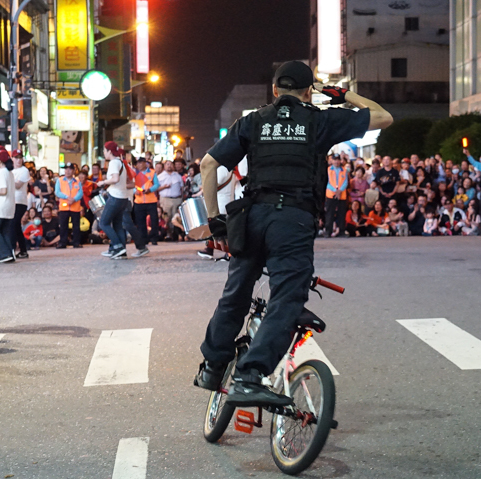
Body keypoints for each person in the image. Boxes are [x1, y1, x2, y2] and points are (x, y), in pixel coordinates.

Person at [194, 60, 392, 407]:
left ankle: (212, 366)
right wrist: (344, 94)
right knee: (287, 297)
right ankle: (249, 376)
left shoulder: (252, 122)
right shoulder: (320, 120)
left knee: (236, 293)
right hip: (293, 221)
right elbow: (382, 117)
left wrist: (214, 220)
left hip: (251, 217)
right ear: (308, 92)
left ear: (274, 90)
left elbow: (208, 164)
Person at [97, 142, 148, 259]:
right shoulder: (121, 163)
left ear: (110, 151)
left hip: (115, 197)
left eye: (105, 151)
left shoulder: (114, 162)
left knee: (103, 223)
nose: (104, 153)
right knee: (118, 225)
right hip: (123, 198)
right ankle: (122, 252)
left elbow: (115, 179)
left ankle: (118, 246)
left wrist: (103, 182)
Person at [133, 157, 160, 247]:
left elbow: (157, 184)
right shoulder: (134, 173)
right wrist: (134, 191)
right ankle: (143, 238)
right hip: (139, 200)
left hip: (151, 200)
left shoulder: (152, 172)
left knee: (154, 220)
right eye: (138, 163)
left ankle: (154, 238)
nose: (140, 165)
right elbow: (130, 185)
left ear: (145, 163)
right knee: (140, 221)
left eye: (141, 163)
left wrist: (150, 190)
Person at [55, 163, 83, 249]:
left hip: (75, 207)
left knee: (76, 226)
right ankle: (62, 242)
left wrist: (74, 199)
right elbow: (57, 192)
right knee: (63, 225)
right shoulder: (59, 180)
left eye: (70, 169)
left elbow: (80, 193)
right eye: (66, 169)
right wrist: (67, 197)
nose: (67, 171)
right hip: (64, 207)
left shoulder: (77, 181)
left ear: (73, 171)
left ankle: (76, 242)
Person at [10, 150, 30, 258]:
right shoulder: (10, 171)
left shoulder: (24, 170)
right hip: (11, 201)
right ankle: (23, 250)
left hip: (20, 201)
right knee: (16, 226)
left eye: (20, 157)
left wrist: (7, 179)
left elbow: (18, 185)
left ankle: (12, 249)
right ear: (12, 159)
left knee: (13, 224)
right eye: (16, 158)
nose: (18, 160)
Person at [157, 160, 183, 240]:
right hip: (166, 199)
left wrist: (181, 197)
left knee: (176, 217)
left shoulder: (177, 175)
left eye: (171, 164)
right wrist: (164, 187)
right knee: (166, 217)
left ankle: (175, 234)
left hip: (177, 199)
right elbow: (156, 188)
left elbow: (182, 187)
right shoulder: (160, 176)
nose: (169, 166)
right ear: (164, 166)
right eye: (167, 164)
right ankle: (168, 234)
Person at [324, 153, 348, 237]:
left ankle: (341, 231)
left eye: (338, 160)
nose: (336, 162)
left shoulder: (344, 170)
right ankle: (328, 231)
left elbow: (345, 182)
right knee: (330, 213)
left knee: (341, 214)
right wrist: (335, 190)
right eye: (335, 160)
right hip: (331, 193)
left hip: (342, 194)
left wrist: (340, 190)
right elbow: (327, 182)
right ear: (332, 161)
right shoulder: (328, 170)